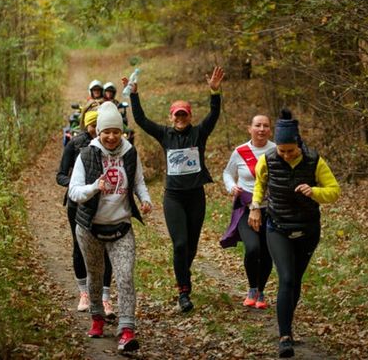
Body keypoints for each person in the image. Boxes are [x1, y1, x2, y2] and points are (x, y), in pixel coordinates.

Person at [128, 66, 225, 312]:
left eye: (184, 115)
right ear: (171, 117)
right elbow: (140, 120)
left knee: (191, 246)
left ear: (190, 117)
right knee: (180, 244)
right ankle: (184, 291)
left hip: (196, 197)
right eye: (176, 115)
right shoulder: (165, 134)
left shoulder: (199, 134)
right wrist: (134, 94)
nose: (180, 119)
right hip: (173, 198)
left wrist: (215, 92)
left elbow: (214, 115)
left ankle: (183, 269)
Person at [248, 108, 340, 358]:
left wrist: (315, 191)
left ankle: (287, 319)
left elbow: (334, 190)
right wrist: (255, 207)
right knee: (286, 278)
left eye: (291, 150)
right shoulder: (267, 159)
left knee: (295, 281)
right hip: (277, 227)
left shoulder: (315, 160)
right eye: (282, 151)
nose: (286, 155)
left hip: (308, 229)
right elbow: (259, 185)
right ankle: (285, 336)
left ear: (298, 143)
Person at [68, 101, 153, 353]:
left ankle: (127, 331)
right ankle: (97, 318)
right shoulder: (87, 154)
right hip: (89, 228)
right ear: (98, 132)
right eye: (107, 131)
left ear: (122, 131)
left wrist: (145, 199)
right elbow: (74, 191)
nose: (112, 136)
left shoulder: (130, 153)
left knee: (125, 276)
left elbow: (138, 182)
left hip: (121, 226)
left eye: (116, 131)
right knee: (95, 275)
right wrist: (95, 187)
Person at [56, 110, 116, 318]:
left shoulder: (112, 144)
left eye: (97, 126)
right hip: (78, 204)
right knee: (79, 248)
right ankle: (84, 294)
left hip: (105, 204)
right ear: (87, 125)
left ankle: (105, 298)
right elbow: (61, 175)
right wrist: (76, 185)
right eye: (92, 126)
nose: (95, 130)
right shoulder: (76, 144)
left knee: (106, 248)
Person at [221, 115, 276, 309]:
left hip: (270, 209)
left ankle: (261, 291)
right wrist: (231, 186)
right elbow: (227, 172)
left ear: (270, 129)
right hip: (246, 208)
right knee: (253, 248)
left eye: (265, 126)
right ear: (249, 128)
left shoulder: (276, 150)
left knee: (267, 251)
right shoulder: (240, 151)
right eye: (257, 125)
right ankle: (252, 288)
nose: (261, 129)